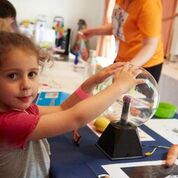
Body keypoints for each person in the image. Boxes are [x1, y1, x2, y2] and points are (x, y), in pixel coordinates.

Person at [0, 31, 143, 178]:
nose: (26, 85)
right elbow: (75, 118)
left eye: (32, 74)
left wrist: (92, 82)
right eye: (12, 75)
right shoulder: (8, 123)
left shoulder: (21, 109)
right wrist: (119, 87)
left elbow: (63, 108)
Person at [80, 0, 164, 82]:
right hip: (123, 60)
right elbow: (119, 26)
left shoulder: (150, 4)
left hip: (145, 64)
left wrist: (126, 68)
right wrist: (93, 32)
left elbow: (150, 45)